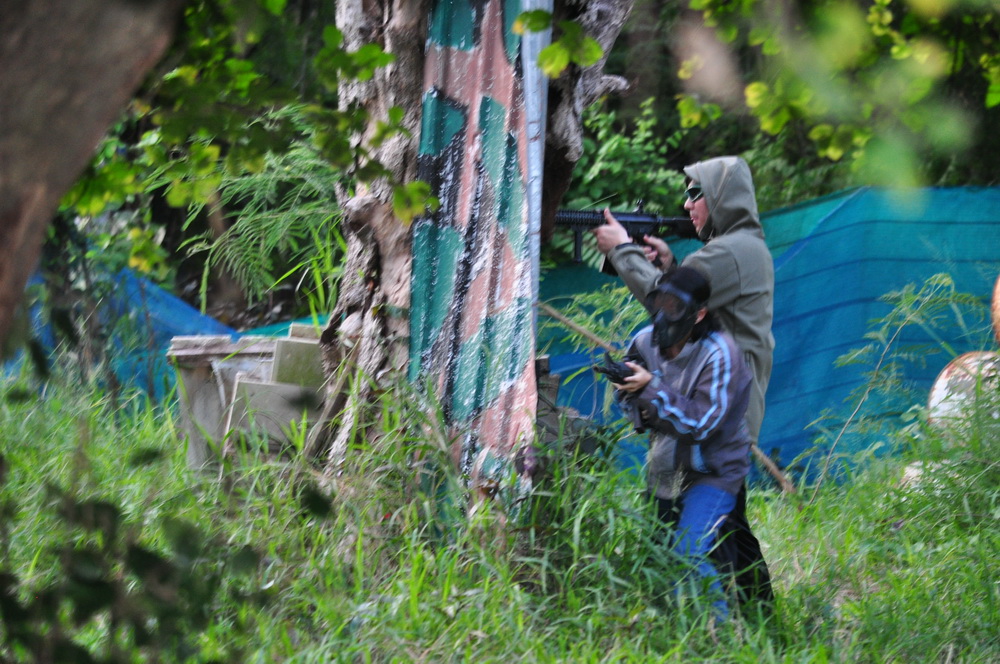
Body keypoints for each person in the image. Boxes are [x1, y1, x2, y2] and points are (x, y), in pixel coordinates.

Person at [613, 266, 770, 619]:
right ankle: (683, 629)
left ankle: (722, 634)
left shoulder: (721, 354)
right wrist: (632, 394)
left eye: (674, 307)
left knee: (690, 552)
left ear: (698, 314)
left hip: (713, 472)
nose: (662, 315)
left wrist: (650, 388)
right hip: (666, 468)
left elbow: (701, 425)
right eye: (659, 303)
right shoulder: (644, 342)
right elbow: (627, 402)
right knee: (661, 561)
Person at [593, 155, 774, 448]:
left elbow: (667, 304)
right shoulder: (745, 246)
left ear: (722, 197)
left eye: (695, 194)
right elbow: (699, 308)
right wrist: (669, 267)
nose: (687, 205)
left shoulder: (729, 252)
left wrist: (621, 249)